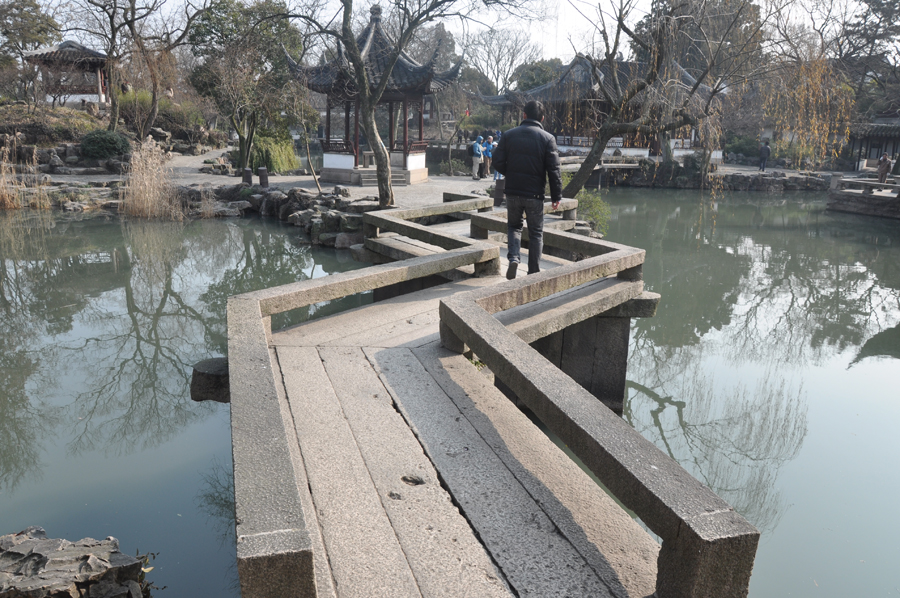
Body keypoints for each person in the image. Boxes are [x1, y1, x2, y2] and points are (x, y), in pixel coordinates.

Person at [493, 100, 562, 279]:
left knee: (514, 227)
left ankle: (514, 258)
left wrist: (512, 173)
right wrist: (556, 196)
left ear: (524, 115)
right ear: (543, 118)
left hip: (513, 192)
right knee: (536, 233)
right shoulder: (548, 139)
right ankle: (533, 273)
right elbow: (554, 171)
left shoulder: (509, 135)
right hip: (535, 194)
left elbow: (497, 162)